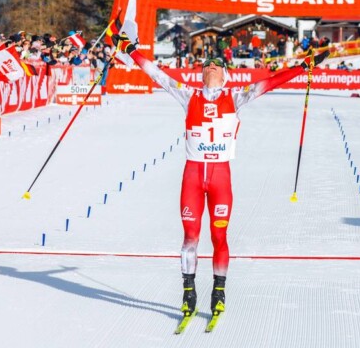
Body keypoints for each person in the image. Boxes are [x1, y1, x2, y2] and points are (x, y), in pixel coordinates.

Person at [112, 31, 328, 322]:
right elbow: (156, 72)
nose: (210, 65)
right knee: (190, 236)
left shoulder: (236, 96)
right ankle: (189, 292)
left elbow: (272, 82)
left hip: (220, 179)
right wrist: (127, 48)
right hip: (192, 175)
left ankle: (218, 291)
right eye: (205, 64)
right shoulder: (188, 94)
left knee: (218, 236)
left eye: (215, 63)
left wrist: (304, 66)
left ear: (225, 74)